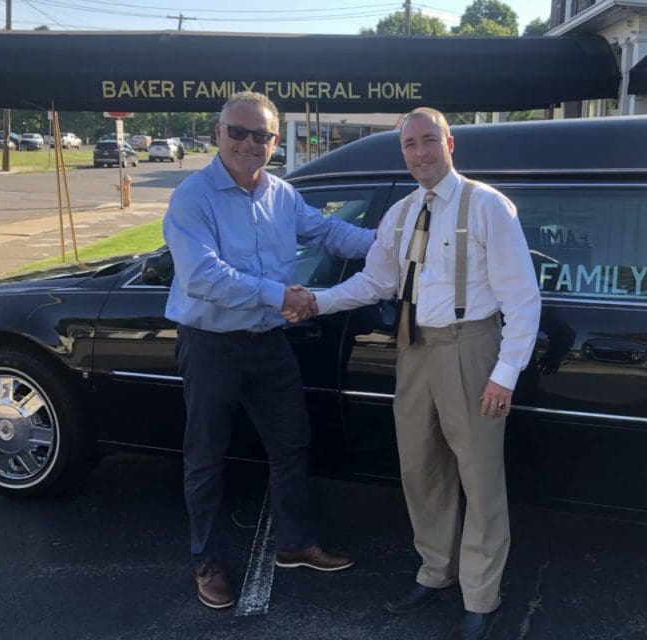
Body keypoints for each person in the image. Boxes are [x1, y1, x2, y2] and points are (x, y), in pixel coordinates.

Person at [291, 107, 540, 640]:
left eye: (430, 141)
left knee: (479, 476)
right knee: (420, 470)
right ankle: (436, 571)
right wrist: (316, 300)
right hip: (414, 350)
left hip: (471, 347)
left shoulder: (487, 206)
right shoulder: (402, 214)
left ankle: (481, 596)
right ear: (402, 152)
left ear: (451, 145)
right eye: (410, 145)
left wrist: (504, 374)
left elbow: (522, 298)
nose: (421, 153)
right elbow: (373, 283)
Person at [162, 90, 375, 610]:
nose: (249, 143)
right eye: (238, 132)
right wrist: (282, 295)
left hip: (268, 343)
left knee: (292, 444)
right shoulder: (193, 197)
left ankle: (296, 544)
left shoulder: (281, 194)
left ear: (275, 142)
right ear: (218, 133)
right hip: (211, 343)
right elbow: (203, 276)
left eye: (261, 135)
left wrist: (395, 241)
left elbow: (327, 233)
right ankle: (206, 561)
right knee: (206, 457)